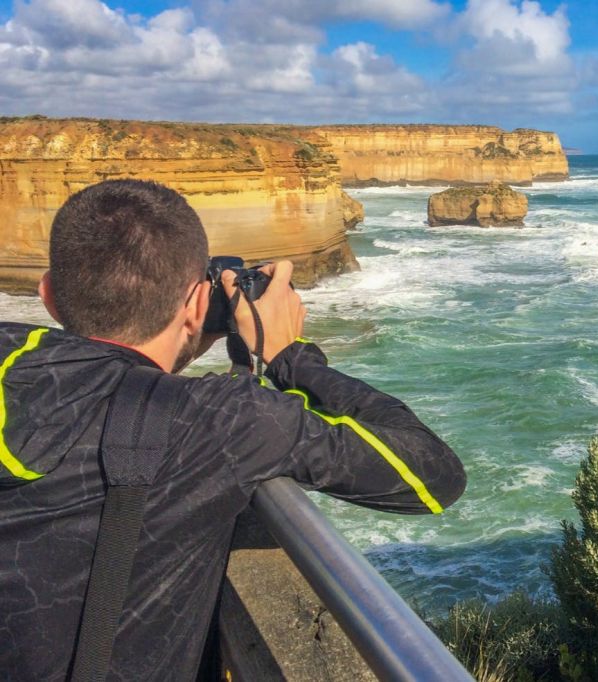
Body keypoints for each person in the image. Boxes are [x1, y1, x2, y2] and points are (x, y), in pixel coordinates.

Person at [0, 179, 466, 680]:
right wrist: (289, 355)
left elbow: (102, 381)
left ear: (47, 295)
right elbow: (433, 476)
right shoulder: (221, 420)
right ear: (199, 304)